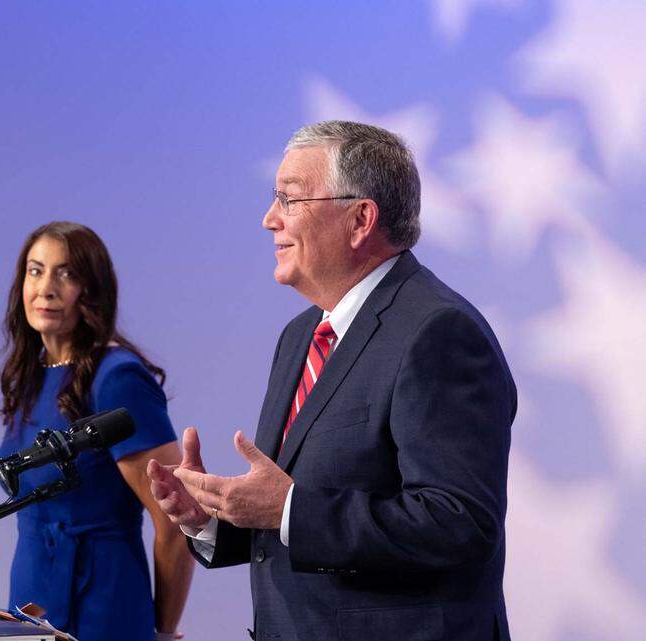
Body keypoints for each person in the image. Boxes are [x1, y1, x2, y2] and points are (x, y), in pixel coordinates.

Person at [148, 121, 515, 641]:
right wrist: (211, 520)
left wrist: (288, 509)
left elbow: (459, 523)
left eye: (289, 198)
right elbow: (300, 515)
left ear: (360, 219)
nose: (269, 218)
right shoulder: (300, 335)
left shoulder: (438, 332)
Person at [0, 221, 194, 641]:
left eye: (66, 274)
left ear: (93, 289)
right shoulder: (32, 375)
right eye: (36, 271)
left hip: (103, 606)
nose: (46, 289)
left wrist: (163, 630)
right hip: (30, 604)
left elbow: (176, 521)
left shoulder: (117, 378)